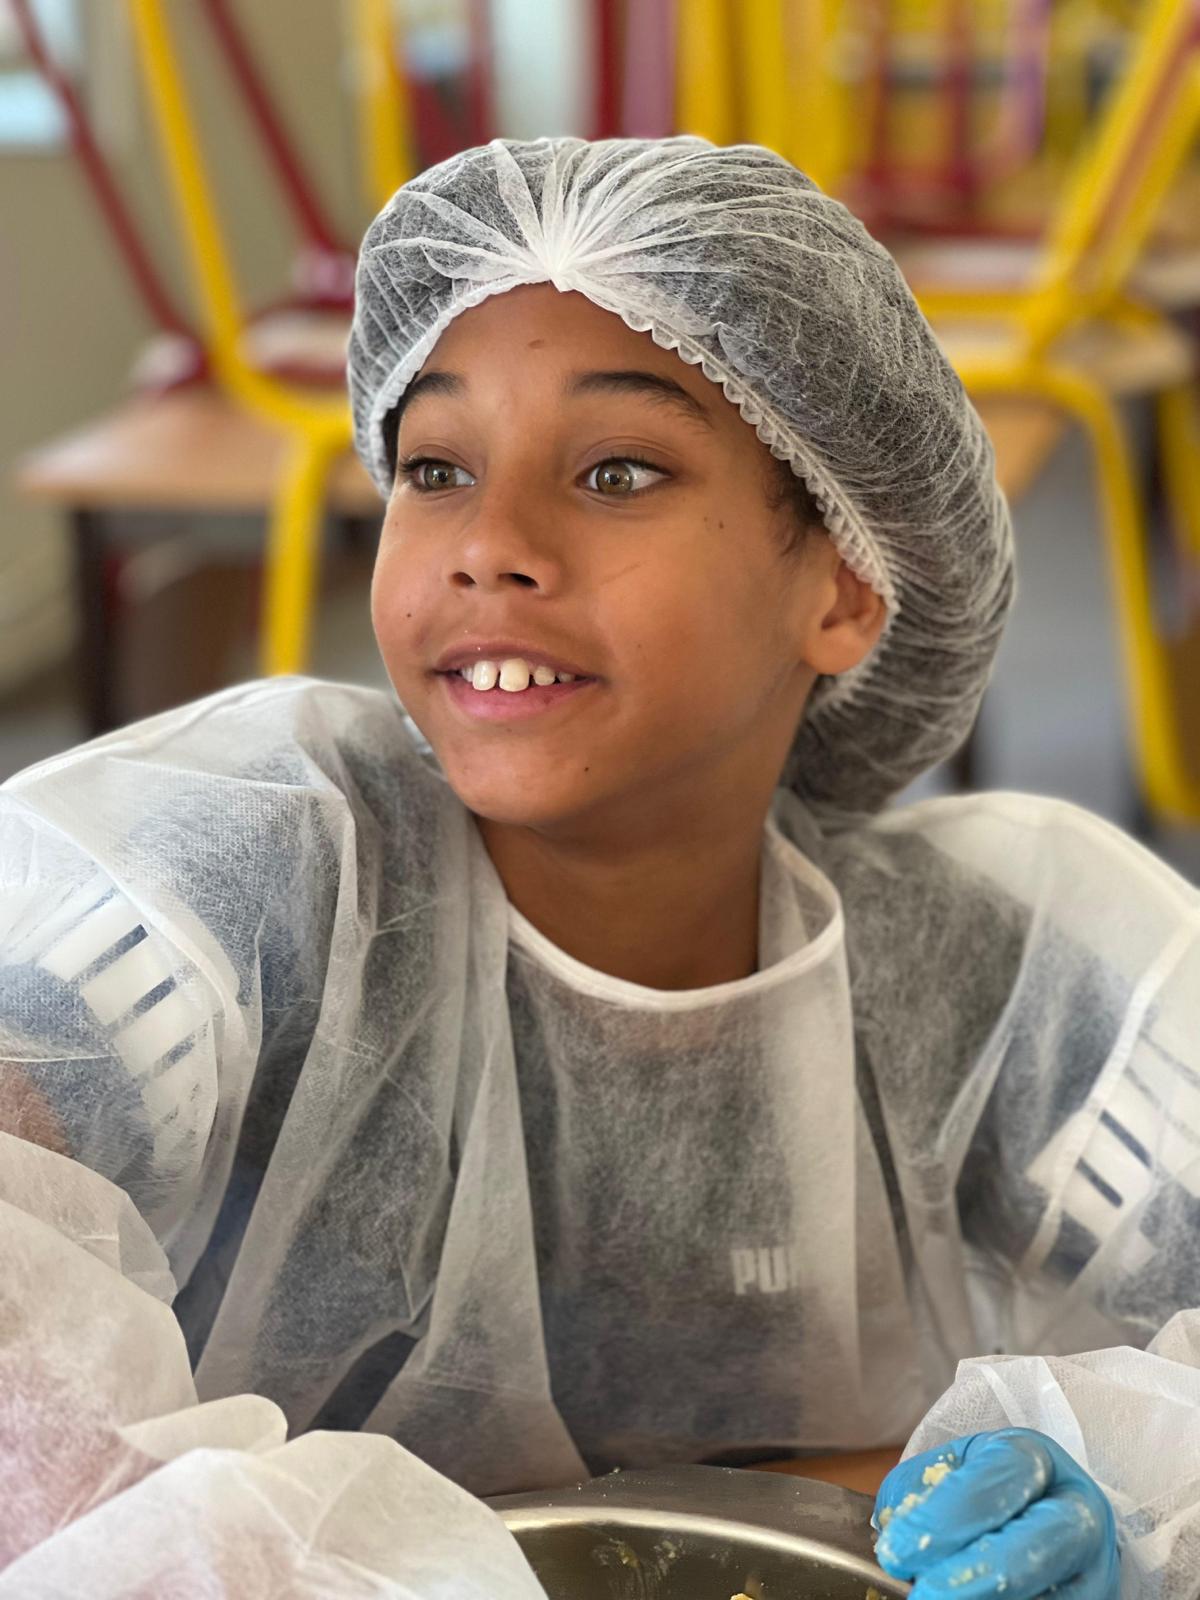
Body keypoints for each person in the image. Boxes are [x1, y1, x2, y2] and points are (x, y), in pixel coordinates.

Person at [1, 135, 1198, 1597]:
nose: (489, 544)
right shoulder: (257, 870)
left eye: (617, 471)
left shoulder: (986, 969)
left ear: (844, 585)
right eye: (436, 469)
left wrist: (1130, 1498)